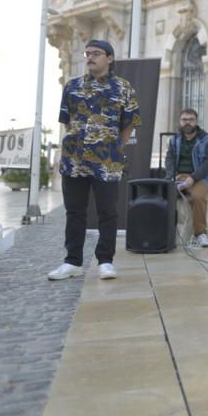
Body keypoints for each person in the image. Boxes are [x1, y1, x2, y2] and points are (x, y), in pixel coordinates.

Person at [48, 40, 140, 281]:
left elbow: (129, 124)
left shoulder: (123, 88)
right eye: (87, 53)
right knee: (74, 212)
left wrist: (113, 148)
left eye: (96, 54)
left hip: (107, 159)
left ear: (109, 58)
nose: (90, 57)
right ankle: (72, 262)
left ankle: (105, 261)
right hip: (74, 159)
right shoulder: (72, 86)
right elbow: (66, 121)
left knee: (107, 212)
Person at [164, 108, 208, 248]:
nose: (187, 123)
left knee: (198, 197)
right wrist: (171, 176)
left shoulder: (207, 140)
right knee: (163, 196)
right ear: (180, 122)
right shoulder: (174, 140)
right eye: (184, 120)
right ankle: (165, 232)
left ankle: (200, 234)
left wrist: (193, 178)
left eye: (191, 120)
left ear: (196, 122)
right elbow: (169, 159)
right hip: (178, 176)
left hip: (199, 177)